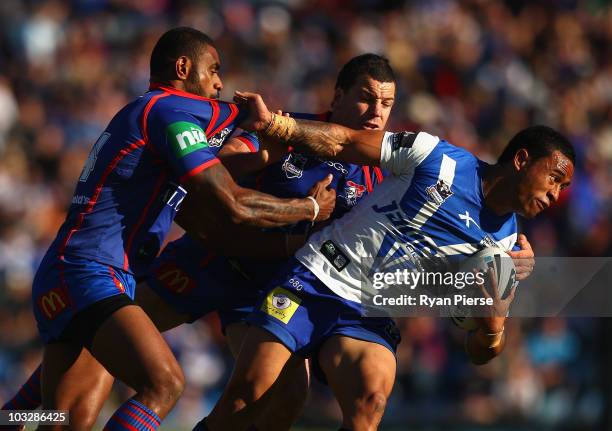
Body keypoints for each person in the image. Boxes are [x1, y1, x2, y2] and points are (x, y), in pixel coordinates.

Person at [27, 27, 336, 431]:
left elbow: (217, 162)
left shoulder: (150, 115)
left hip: (68, 274)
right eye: (214, 70)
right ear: (183, 66)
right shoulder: (168, 111)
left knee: (63, 418)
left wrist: (259, 151)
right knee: (165, 384)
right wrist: (309, 207)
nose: (220, 83)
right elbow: (233, 203)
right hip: (91, 273)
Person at [205, 93, 573, 430]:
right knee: (247, 396)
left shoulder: (507, 249)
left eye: (563, 188)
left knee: (371, 403)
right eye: (554, 179)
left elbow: (480, 354)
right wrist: (275, 125)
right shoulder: (436, 157)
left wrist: (493, 327)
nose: (555, 194)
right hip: (320, 275)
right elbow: (344, 142)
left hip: (370, 310)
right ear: (522, 159)